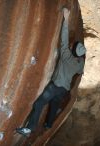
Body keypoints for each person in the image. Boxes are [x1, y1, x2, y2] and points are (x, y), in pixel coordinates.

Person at [16, 7, 86, 137]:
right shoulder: (79, 63)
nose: (71, 46)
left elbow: (64, 39)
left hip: (55, 86)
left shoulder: (66, 55)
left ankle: (29, 129)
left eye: (73, 46)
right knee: (54, 106)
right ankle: (48, 125)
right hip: (64, 89)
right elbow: (81, 68)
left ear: (73, 51)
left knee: (39, 103)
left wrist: (66, 19)